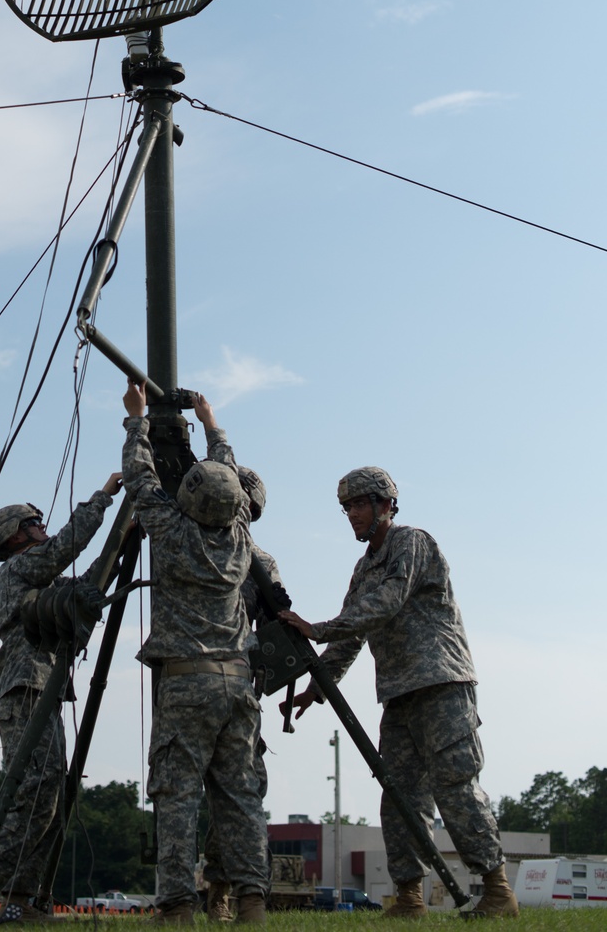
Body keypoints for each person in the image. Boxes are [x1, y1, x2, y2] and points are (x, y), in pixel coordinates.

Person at [279, 467, 519, 919]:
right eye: (346, 507)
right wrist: (315, 689)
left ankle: (496, 889)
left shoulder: (411, 542)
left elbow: (386, 603)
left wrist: (318, 628)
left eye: (360, 504)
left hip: (442, 685)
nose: (352, 514)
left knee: (455, 787)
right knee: (399, 797)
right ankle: (408, 897)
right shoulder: (363, 567)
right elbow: (350, 640)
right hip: (398, 696)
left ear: (386, 504)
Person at [121, 381, 269, 926]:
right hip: (238, 682)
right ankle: (252, 901)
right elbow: (226, 478)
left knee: (178, 796)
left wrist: (136, 420)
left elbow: (140, 478)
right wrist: (212, 426)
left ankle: (178, 904)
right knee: (240, 796)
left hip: (187, 682)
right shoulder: (239, 533)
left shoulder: (172, 531)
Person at [0, 475, 123, 924]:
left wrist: (123, 539)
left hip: (44, 689)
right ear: (17, 535)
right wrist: (104, 497)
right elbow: (66, 545)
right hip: (26, 689)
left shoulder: (40, 574)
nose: (42, 527)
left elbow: (88, 581)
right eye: (34, 522)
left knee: (49, 791)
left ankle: (20, 899)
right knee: (36, 788)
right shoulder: (19, 568)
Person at [203, 469, 291, 922]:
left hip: (240, 688)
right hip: (193, 681)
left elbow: (273, 628)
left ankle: (227, 890)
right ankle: (199, 892)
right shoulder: (192, 544)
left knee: (243, 790)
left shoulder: (261, 562)